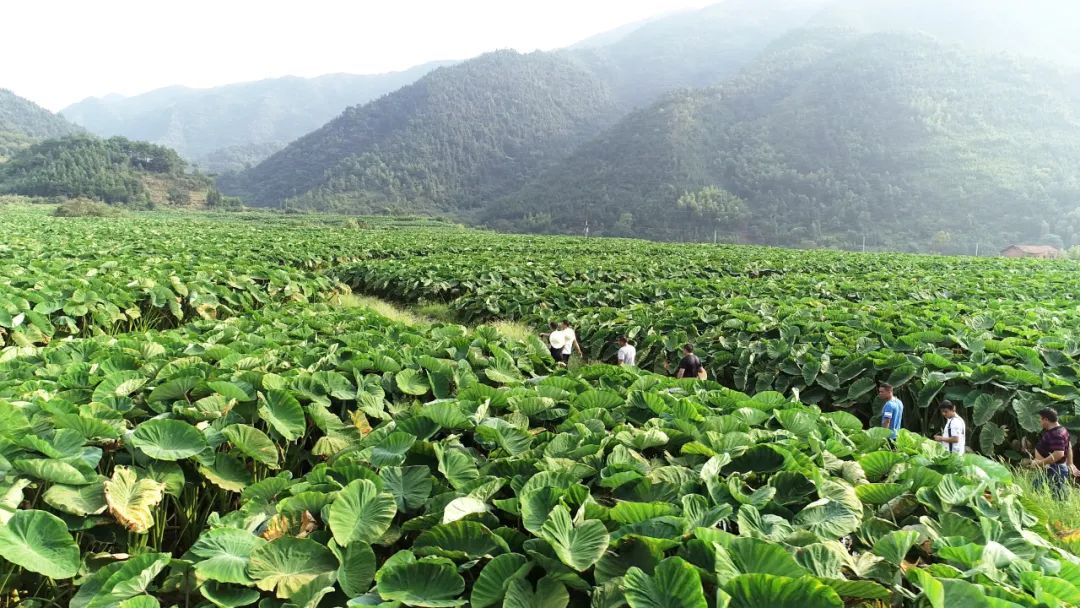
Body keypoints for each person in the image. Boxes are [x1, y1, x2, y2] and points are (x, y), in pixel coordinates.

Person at [1027, 408, 1072, 498]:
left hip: (1055, 469)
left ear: (1046, 419)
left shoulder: (1056, 434)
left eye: (1041, 419)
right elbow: (1069, 445)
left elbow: (1059, 453)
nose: (1040, 421)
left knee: (1058, 497)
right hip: (1050, 468)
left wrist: (1040, 462)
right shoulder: (1061, 430)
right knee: (1035, 491)